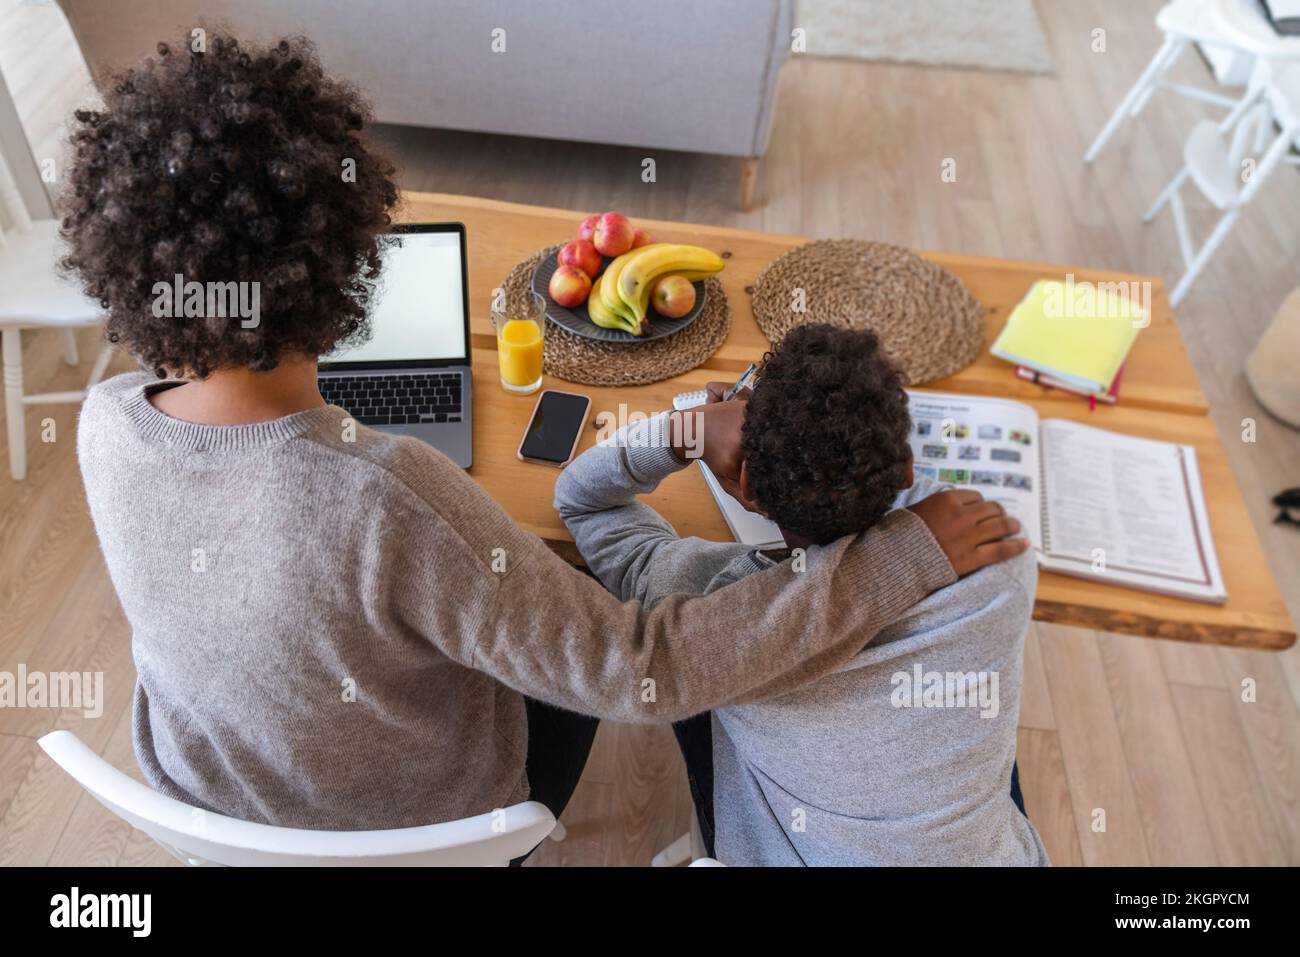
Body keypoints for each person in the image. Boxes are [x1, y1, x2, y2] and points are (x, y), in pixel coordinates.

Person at [64, 33, 1025, 842]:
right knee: (563, 610)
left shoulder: (103, 423)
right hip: (420, 835)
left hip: (218, 811)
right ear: (345, 255)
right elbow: (641, 669)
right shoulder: (388, 491)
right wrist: (901, 557)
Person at [555, 324, 1048, 865]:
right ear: (906, 468)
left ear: (747, 488)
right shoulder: (1001, 562)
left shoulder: (705, 606)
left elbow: (583, 501)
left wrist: (686, 430)